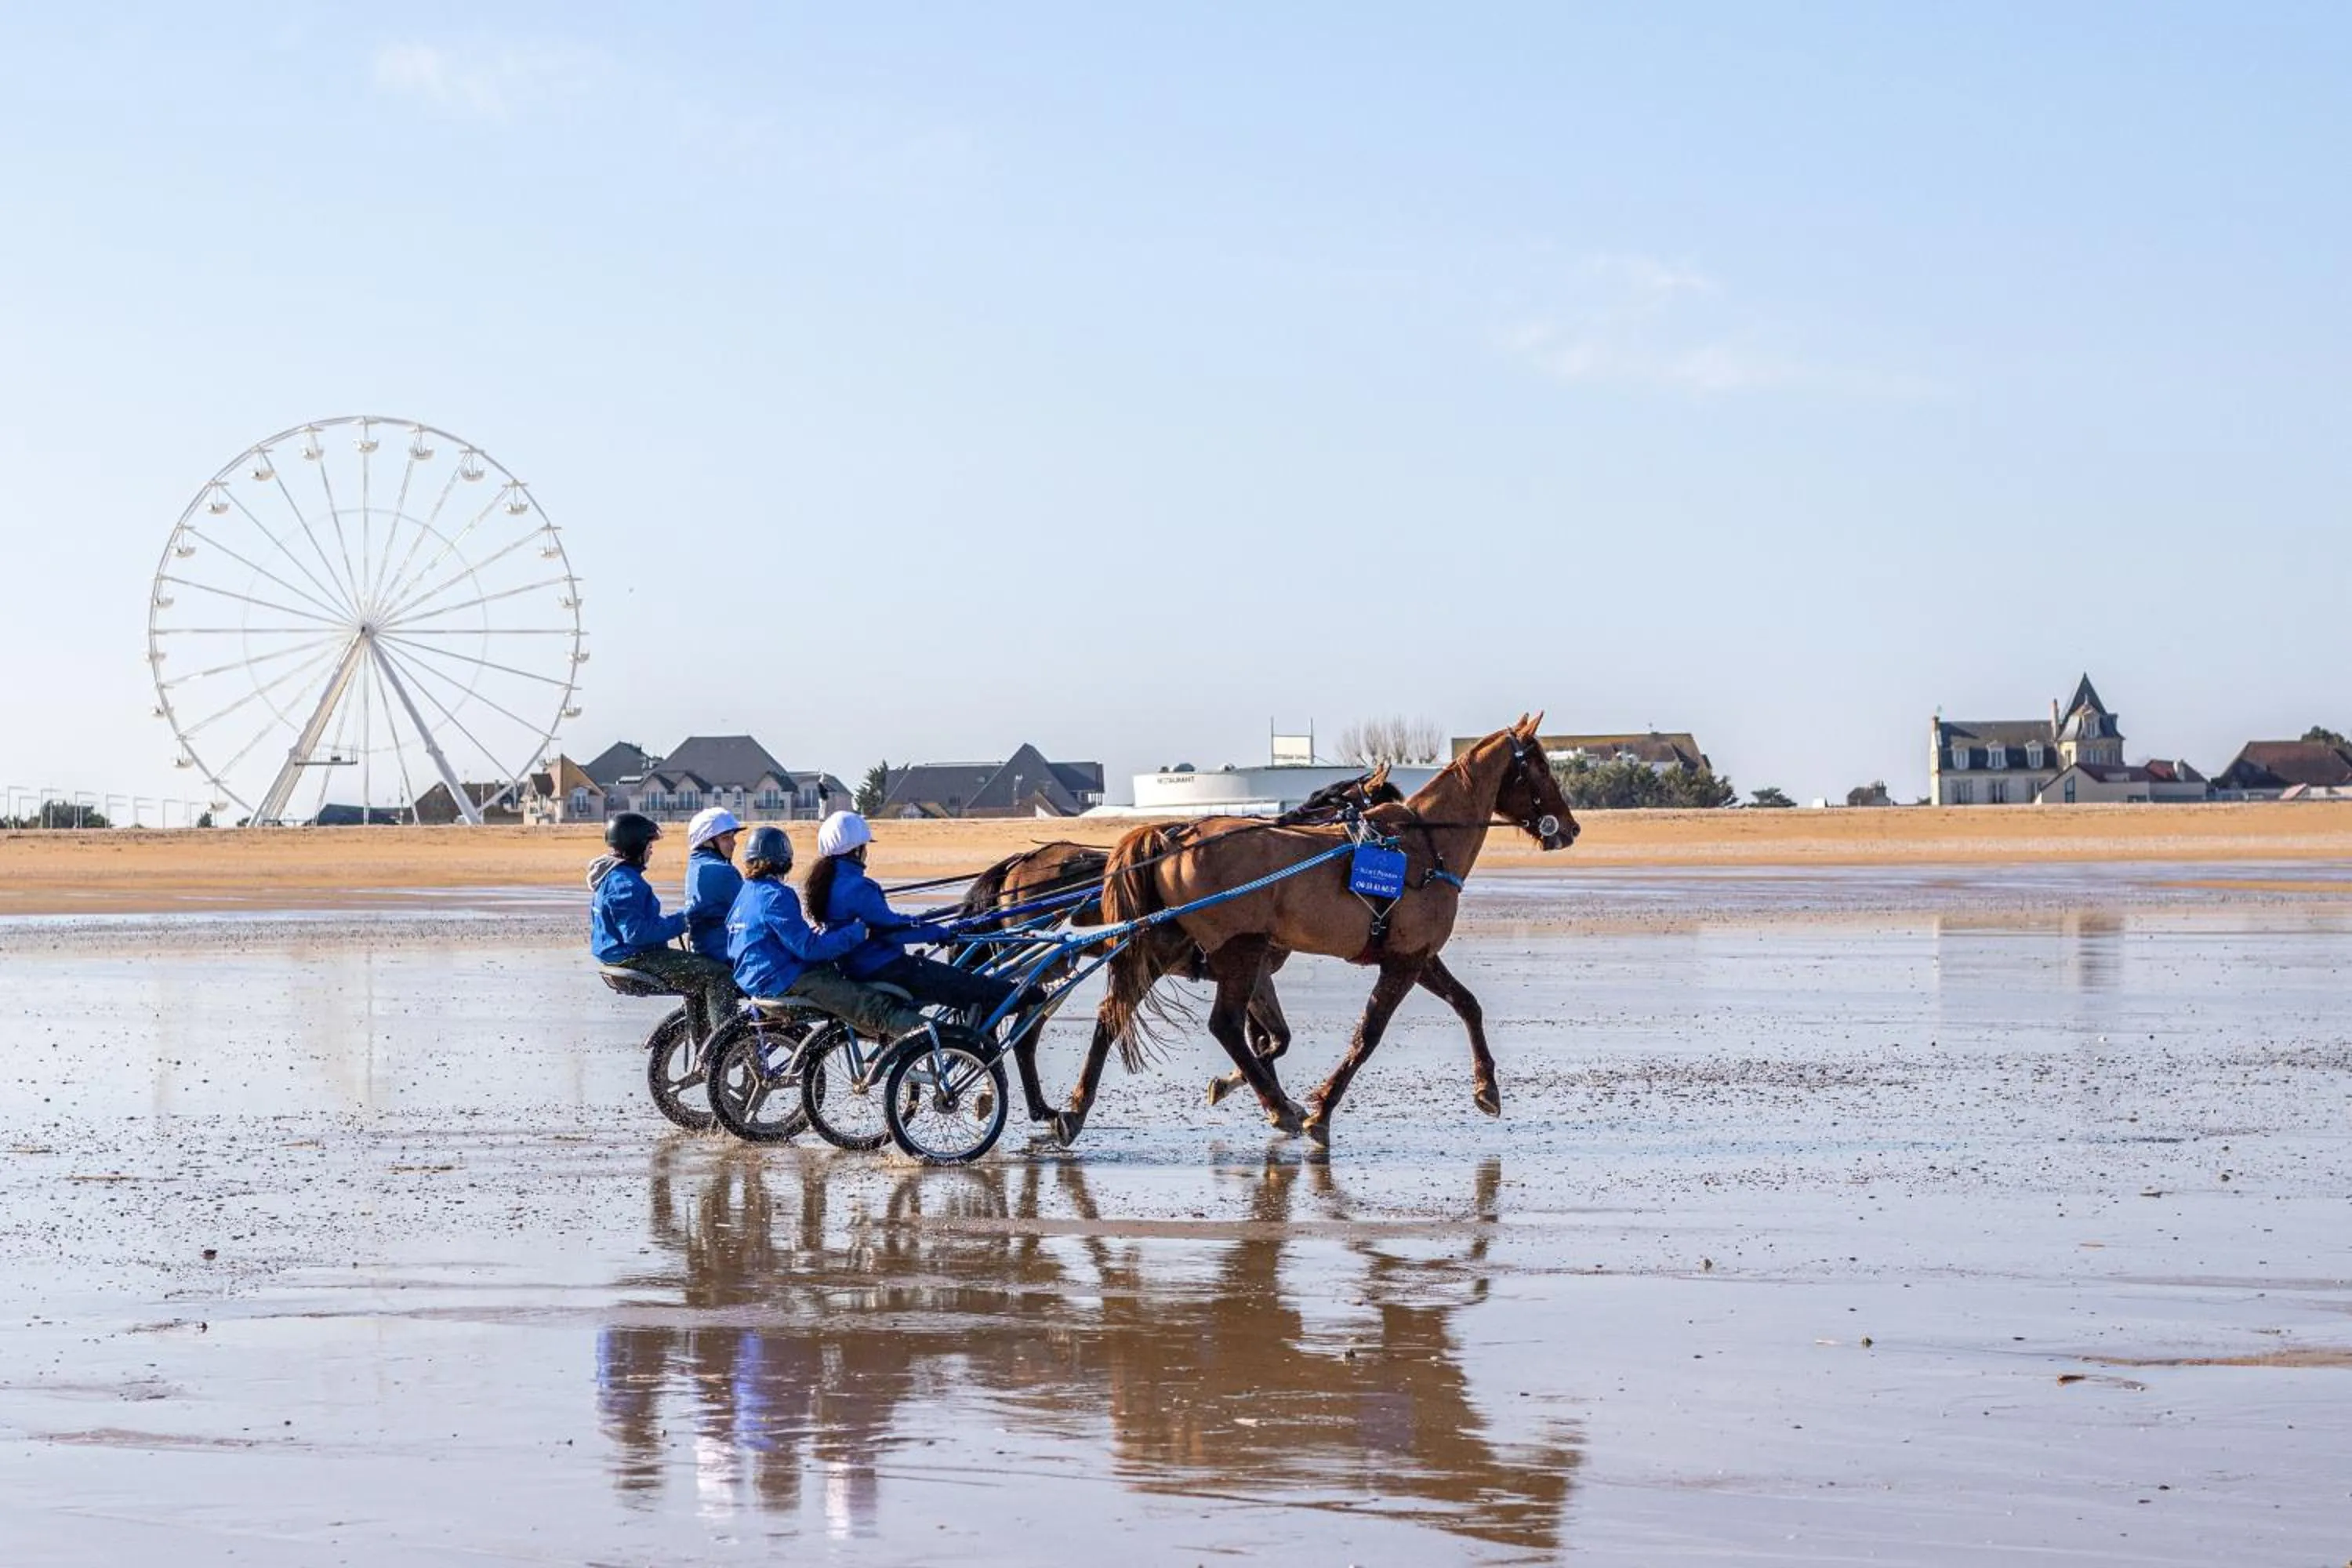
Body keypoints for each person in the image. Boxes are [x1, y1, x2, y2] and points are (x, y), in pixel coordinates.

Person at [804, 810, 1025, 1019]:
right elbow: (892, 930)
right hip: (881, 967)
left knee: (949, 979)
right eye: (865, 847)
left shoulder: (828, 883)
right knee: (961, 983)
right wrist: (938, 932)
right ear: (856, 850)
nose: (867, 853)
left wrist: (924, 926)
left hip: (859, 966)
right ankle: (1024, 997)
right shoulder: (857, 887)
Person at [726, 826, 929, 1042]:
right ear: (785, 860)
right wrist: (858, 932)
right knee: (874, 1006)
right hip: (783, 980)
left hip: (753, 979)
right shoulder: (777, 895)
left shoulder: (745, 893)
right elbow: (810, 949)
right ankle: (935, 1039)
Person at [590, 811, 741, 1040]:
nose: (652, 849)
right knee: (718, 974)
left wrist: (676, 921)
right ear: (636, 846)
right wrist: (683, 921)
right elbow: (637, 934)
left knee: (700, 973)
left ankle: (705, 1043)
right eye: (649, 844)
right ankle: (726, 1043)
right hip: (634, 957)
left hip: (624, 953)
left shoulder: (614, 875)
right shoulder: (625, 883)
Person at [681, 807, 744, 963]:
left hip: (704, 949)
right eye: (726, 838)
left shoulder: (695, 866)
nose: (734, 843)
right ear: (707, 842)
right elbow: (753, 912)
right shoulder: (722, 872)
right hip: (725, 954)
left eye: (732, 836)